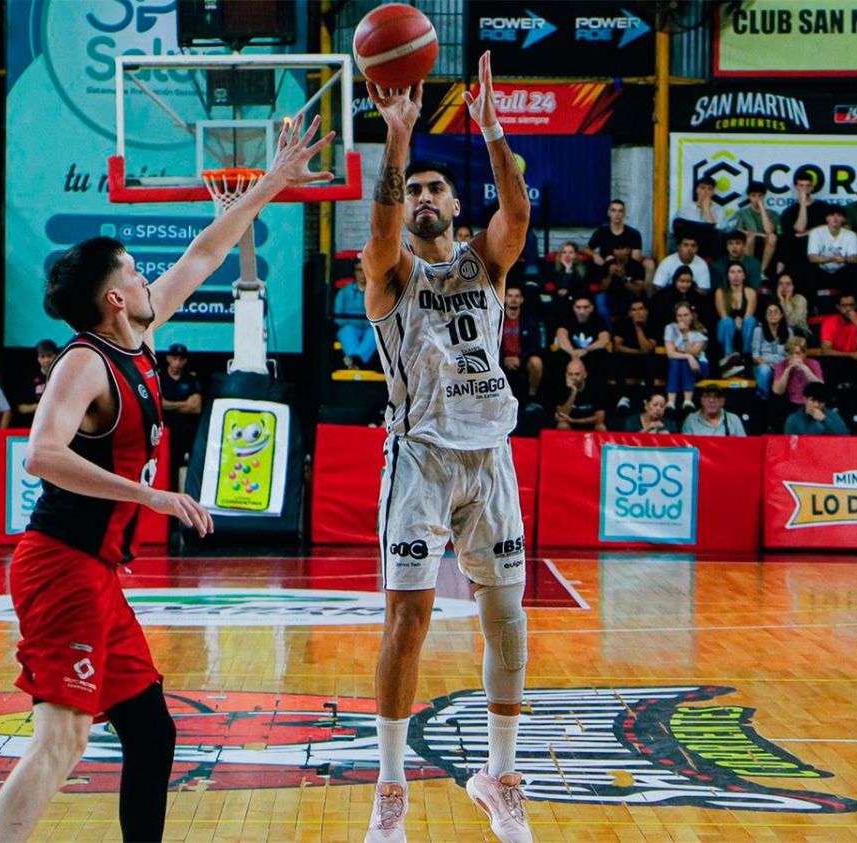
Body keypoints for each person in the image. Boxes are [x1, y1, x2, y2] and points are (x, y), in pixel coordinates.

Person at [0, 114, 331, 843]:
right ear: (114, 297)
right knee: (62, 739)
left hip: (97, 572)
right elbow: (40, 454)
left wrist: (272, 181)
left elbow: (205, 252)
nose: (148, 277)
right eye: (136, 272)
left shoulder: (138, 336)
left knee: (150, 728)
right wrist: (150, 494)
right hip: (61, 566)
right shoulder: (84, 362)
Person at [359, 60, 536, 843]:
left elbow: (518, 212)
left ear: (458, 205)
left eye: (437, 189)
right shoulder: (390, 273)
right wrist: (397, 138)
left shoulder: (484, 264)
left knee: (507, 617)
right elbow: (380, 230)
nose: (425, 197)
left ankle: (500, 777)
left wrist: (493, 129)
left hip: (490, 455)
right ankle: (390, 790)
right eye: (415, 190)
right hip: (421, 460)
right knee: (409, 619)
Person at [818, 293, 857, 397]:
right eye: (845, 305)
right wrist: (851, 354)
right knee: (828, 363)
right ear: (838, 307)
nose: (849, 309)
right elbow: (825, 350)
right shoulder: (829, 322)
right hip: (837, 359)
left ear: (856, 306)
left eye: (851, 305)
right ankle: (831, 400)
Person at [804, 205, 857, 312]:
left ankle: (851, 307)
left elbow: (854, 257)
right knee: (808, 269)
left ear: (844, 219)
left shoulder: (850, 235)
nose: (835, 218)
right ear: (827, 218)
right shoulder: (816, 233)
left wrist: (843, 259)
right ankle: (811, 308)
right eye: (831, 215)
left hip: (841, 271)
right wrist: (832, 259)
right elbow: (812, 257)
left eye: (839, 215)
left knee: (855, 269)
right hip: (822, 271)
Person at [499, 286, 545, 411]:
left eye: (517, 296)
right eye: (510, 296)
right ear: (504, 299)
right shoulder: (496, 320)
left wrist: (520, 358)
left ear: (522, 300)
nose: (513, 299)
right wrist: (504, 358)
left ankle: (532, 398)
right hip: (500, 359)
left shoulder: (530, 320)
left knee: (536, 362)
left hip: (523, 359)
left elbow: (536, 345)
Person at [159, 343, 203, 469]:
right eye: (174, 358)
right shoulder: (160, 377)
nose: (177, 362)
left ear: (185, 361)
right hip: (165, 431)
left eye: (181, 359)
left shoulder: (190, 378)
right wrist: (185, 404)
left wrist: (169, 405)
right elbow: (160, 404)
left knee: (184, 465)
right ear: (168, 358)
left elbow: (196, 407)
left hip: (185, 431)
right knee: (164, 466)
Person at [554, 293, 609, 387]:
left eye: (585, 307)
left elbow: (605, 339)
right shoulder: (567, 320)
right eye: (578, 307)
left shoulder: (598, 321)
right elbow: (561, 336)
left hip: (591, 357)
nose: (582, 311)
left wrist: (585, 350)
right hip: (569, 356)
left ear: (591, 308)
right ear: (573, 308)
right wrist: (572, 353)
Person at [713, 261, 757, 372]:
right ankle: (728, 356)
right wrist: (734, 322)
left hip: (744, 327)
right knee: (727, 322)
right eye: (732, 272)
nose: (736, 275)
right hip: (725, 329)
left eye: (739, 272)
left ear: (744, 276)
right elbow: (723, 315)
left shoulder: (750, 292)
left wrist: (741, 322)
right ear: (728, 276)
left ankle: (746, 356)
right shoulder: (720, 292)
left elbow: (749, 313)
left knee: (751, 321)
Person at [664, 302, 708, 411]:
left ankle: (687, 400)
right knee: (676, 361)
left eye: (685, 315)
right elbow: (670, 354)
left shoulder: (700, 331)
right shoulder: (670, 328)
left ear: (692, 315)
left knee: (683, 362)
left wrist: (684, 335)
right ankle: (671, 402)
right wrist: (688, 357)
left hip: (698, 366)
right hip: (679, 365)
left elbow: (692, 352)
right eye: (679, 315)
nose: (682, 318)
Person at [673, 177, 731, 258]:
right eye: (702, 188)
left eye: (709, 189)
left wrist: (707, 210)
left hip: (710, 247)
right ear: (697, 190)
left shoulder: (719, 210)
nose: (705, 192)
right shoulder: (685, 209)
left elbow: (720, 231)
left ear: (713, 192)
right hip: (689, 245)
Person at [334, 260, 376, 368]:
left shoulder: (376, 292)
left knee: (375, 333)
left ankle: (353, 361)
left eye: (365, 270)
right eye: (359, 270)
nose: (362, 273)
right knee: (347, 331)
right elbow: (337, 316)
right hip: (349, 326)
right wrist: (352, 322)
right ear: (354, 272)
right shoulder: (344, 291)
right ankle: (357, 361)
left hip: (370, 327)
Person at [647, 266, 712, 336]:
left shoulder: (697, 297)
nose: (685, 285)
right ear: (675, 280)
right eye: (682, 281)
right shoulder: (662, 296)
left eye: (688, 282)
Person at [587, 199, 648, 273]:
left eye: (620, 211)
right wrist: (595, 255)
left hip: (627, 269)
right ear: (608, 213)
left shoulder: (634, 234)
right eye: (613, 210)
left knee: (649, 264)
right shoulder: (601, 232)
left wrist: (617, 261)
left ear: (624, 214)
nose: (617, 214)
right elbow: (586, 248)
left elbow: (636, 260)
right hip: (605, 269)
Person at [610, 298, 660, 387]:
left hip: (646, 361)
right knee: (617, 357)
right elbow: (617, 346)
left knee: (648, 358)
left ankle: (649, 393)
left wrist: (638, 328)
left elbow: (646, 349)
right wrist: (637, 352)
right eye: (634, 310)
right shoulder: (622, 323)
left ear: (646, 311)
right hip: (628, 358)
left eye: (641, 309)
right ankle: (622, 394)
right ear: (630, 313)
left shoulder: (654, 324)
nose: (638, 312)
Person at [731, 181, 779, 271]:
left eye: (760, 196)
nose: (757, 199)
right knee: (749, 237)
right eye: (753, 196)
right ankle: (749, 269)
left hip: (767, 241)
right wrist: (759, 235)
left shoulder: (773, 214)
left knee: (772, 237)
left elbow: (769, 230)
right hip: (749, 239)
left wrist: (762, 209)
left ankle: (761, 270)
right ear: (749, 196)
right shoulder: (742, 213)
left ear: (764, 196)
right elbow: (738, 231)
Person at [771, 336, 825, 412]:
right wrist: (787, 370)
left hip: (810, 403)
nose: (794, 356)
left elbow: (820, 387)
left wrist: (805, 369)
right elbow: (777, 391)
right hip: (788, 403)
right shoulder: (781, 365)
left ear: (804, 353)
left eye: (798, 353)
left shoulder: (814, 364)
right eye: (791, 354)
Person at [751, 301, 792, 399]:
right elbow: (755, 356)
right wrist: (769, 365)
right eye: (769, 312)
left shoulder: (789, 331)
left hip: (782, 365)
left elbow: (791, 353)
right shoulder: (759, 330)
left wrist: (781, 366)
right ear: (765, 316)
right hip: (763, 364)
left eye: (776, 311)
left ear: (781, 315)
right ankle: (762, 399)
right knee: (765, 370)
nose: (772, 314)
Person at [551, 357, 606, 431]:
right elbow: (561, 416)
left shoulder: (595, 387)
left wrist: (574, 421)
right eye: (570, 374)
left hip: (588, 423)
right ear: (566, 375)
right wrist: (573, 393)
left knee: (600, 427)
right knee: (562, 426)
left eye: (577, 374)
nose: (573, 377)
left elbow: (600, 418)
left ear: (585, 374)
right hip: (569, 425)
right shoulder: (561, 387)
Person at [16, 339, 61, 424]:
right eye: (42, 357)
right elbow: (21, 408)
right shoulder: (30, 380)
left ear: (55, 356)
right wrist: (40, 406)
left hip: (59, 423)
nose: (46, 360)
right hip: (37, 425)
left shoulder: (63, 377)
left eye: (49, 356)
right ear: (38, 359)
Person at [783, 381, 849, 435]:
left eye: (820, 401)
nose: (816, 405)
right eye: (813, 400)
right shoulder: (793, 419)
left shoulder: (832, 415)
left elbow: (846, 436)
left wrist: (824, 419)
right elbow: (789, 442)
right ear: (805, 399)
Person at [769, 271, 810, 338]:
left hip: (800, 333)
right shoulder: (773, 302)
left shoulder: (800, 299)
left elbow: (795, 322)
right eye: (781, 284)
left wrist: (787, 301)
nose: (784, 286)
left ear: (793, 286)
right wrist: (782, 300)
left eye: (788, 284)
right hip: (779, 333)